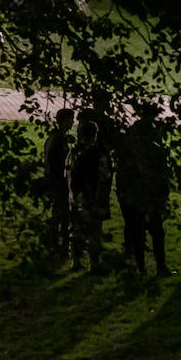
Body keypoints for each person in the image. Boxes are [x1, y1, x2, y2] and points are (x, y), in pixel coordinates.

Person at [115, 110, 173, 276]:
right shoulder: (156, 151)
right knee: (156, 233)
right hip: (150, 198)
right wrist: (162, 199)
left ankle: (141, 268)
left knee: (138, 234)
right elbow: (163, 177)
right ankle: (160, 266)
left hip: (135, 199)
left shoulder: (130, 152)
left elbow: (122, 176)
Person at [69, 112, 112, 271]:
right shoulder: (99, 154)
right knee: (95, 231)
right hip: (94, 195)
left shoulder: (75, 152)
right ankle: (94, 263)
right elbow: (104, 176)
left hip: (77, 195)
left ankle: (75, 260)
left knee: (77, 229)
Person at [43, 108, 75, 263]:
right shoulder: (60, 140)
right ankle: (59, 246)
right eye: (71, 119)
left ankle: (56, 244)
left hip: (53, 181)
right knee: (62, 214)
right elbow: (59, 163)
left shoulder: (52, 138)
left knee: (59, 213)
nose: (73, 122)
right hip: (59, 182)